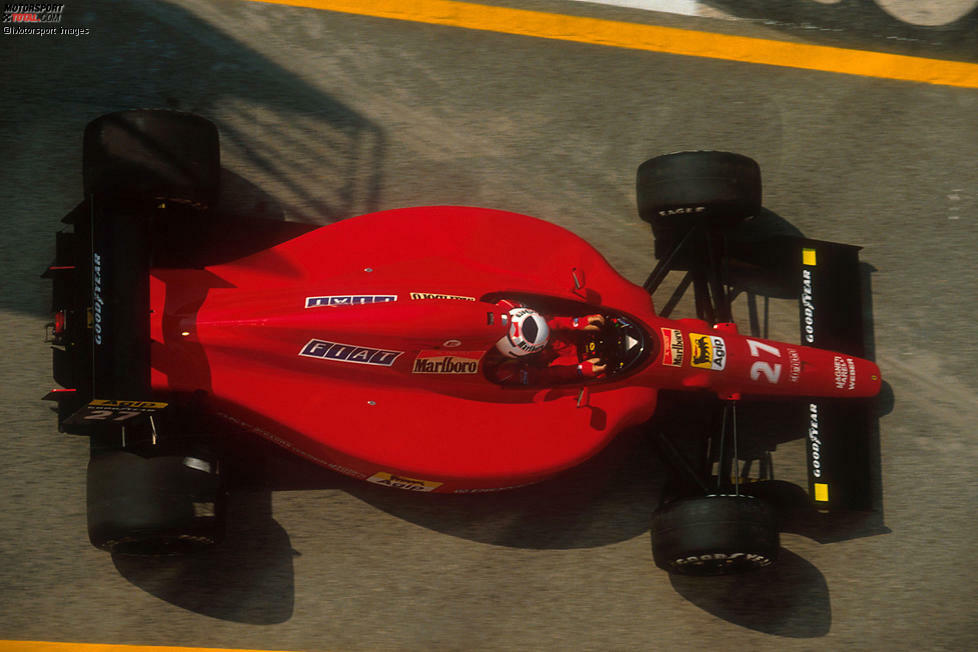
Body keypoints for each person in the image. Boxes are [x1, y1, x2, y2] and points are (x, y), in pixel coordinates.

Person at [486, 299, 608, 385]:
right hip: (548, 362)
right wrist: (578, 370)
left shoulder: (508, 305)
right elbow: (540, 377)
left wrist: (575, 322)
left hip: (558, 339)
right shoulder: (504, 373)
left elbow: (543, 319)